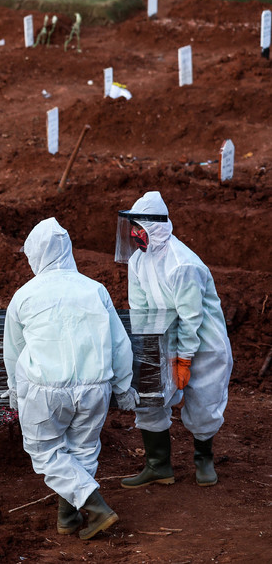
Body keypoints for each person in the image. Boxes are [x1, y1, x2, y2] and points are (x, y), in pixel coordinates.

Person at [4, 218, 137, 540]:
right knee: (84, 449)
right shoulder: (95, 289)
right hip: (95, 386)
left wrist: (12, 388)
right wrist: (122, 384)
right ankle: (68, 516)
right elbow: (120, 342)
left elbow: (15, 349)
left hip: (44, 388)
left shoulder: (24, 295)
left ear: (35, 254)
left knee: (45, 452)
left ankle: (97, 507)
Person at [115, 191, 233, 488]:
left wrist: (183, 358)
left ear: (154, 227)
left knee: (204, 402)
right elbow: (140, 310)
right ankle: (159, 465)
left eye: (137, 227)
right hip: (161, 342)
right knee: (149, 396)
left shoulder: (183, 265)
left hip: (203, 344)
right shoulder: (138, 262)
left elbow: (191, 318)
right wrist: (148, 351)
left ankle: (203, 459)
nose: (132, 234)